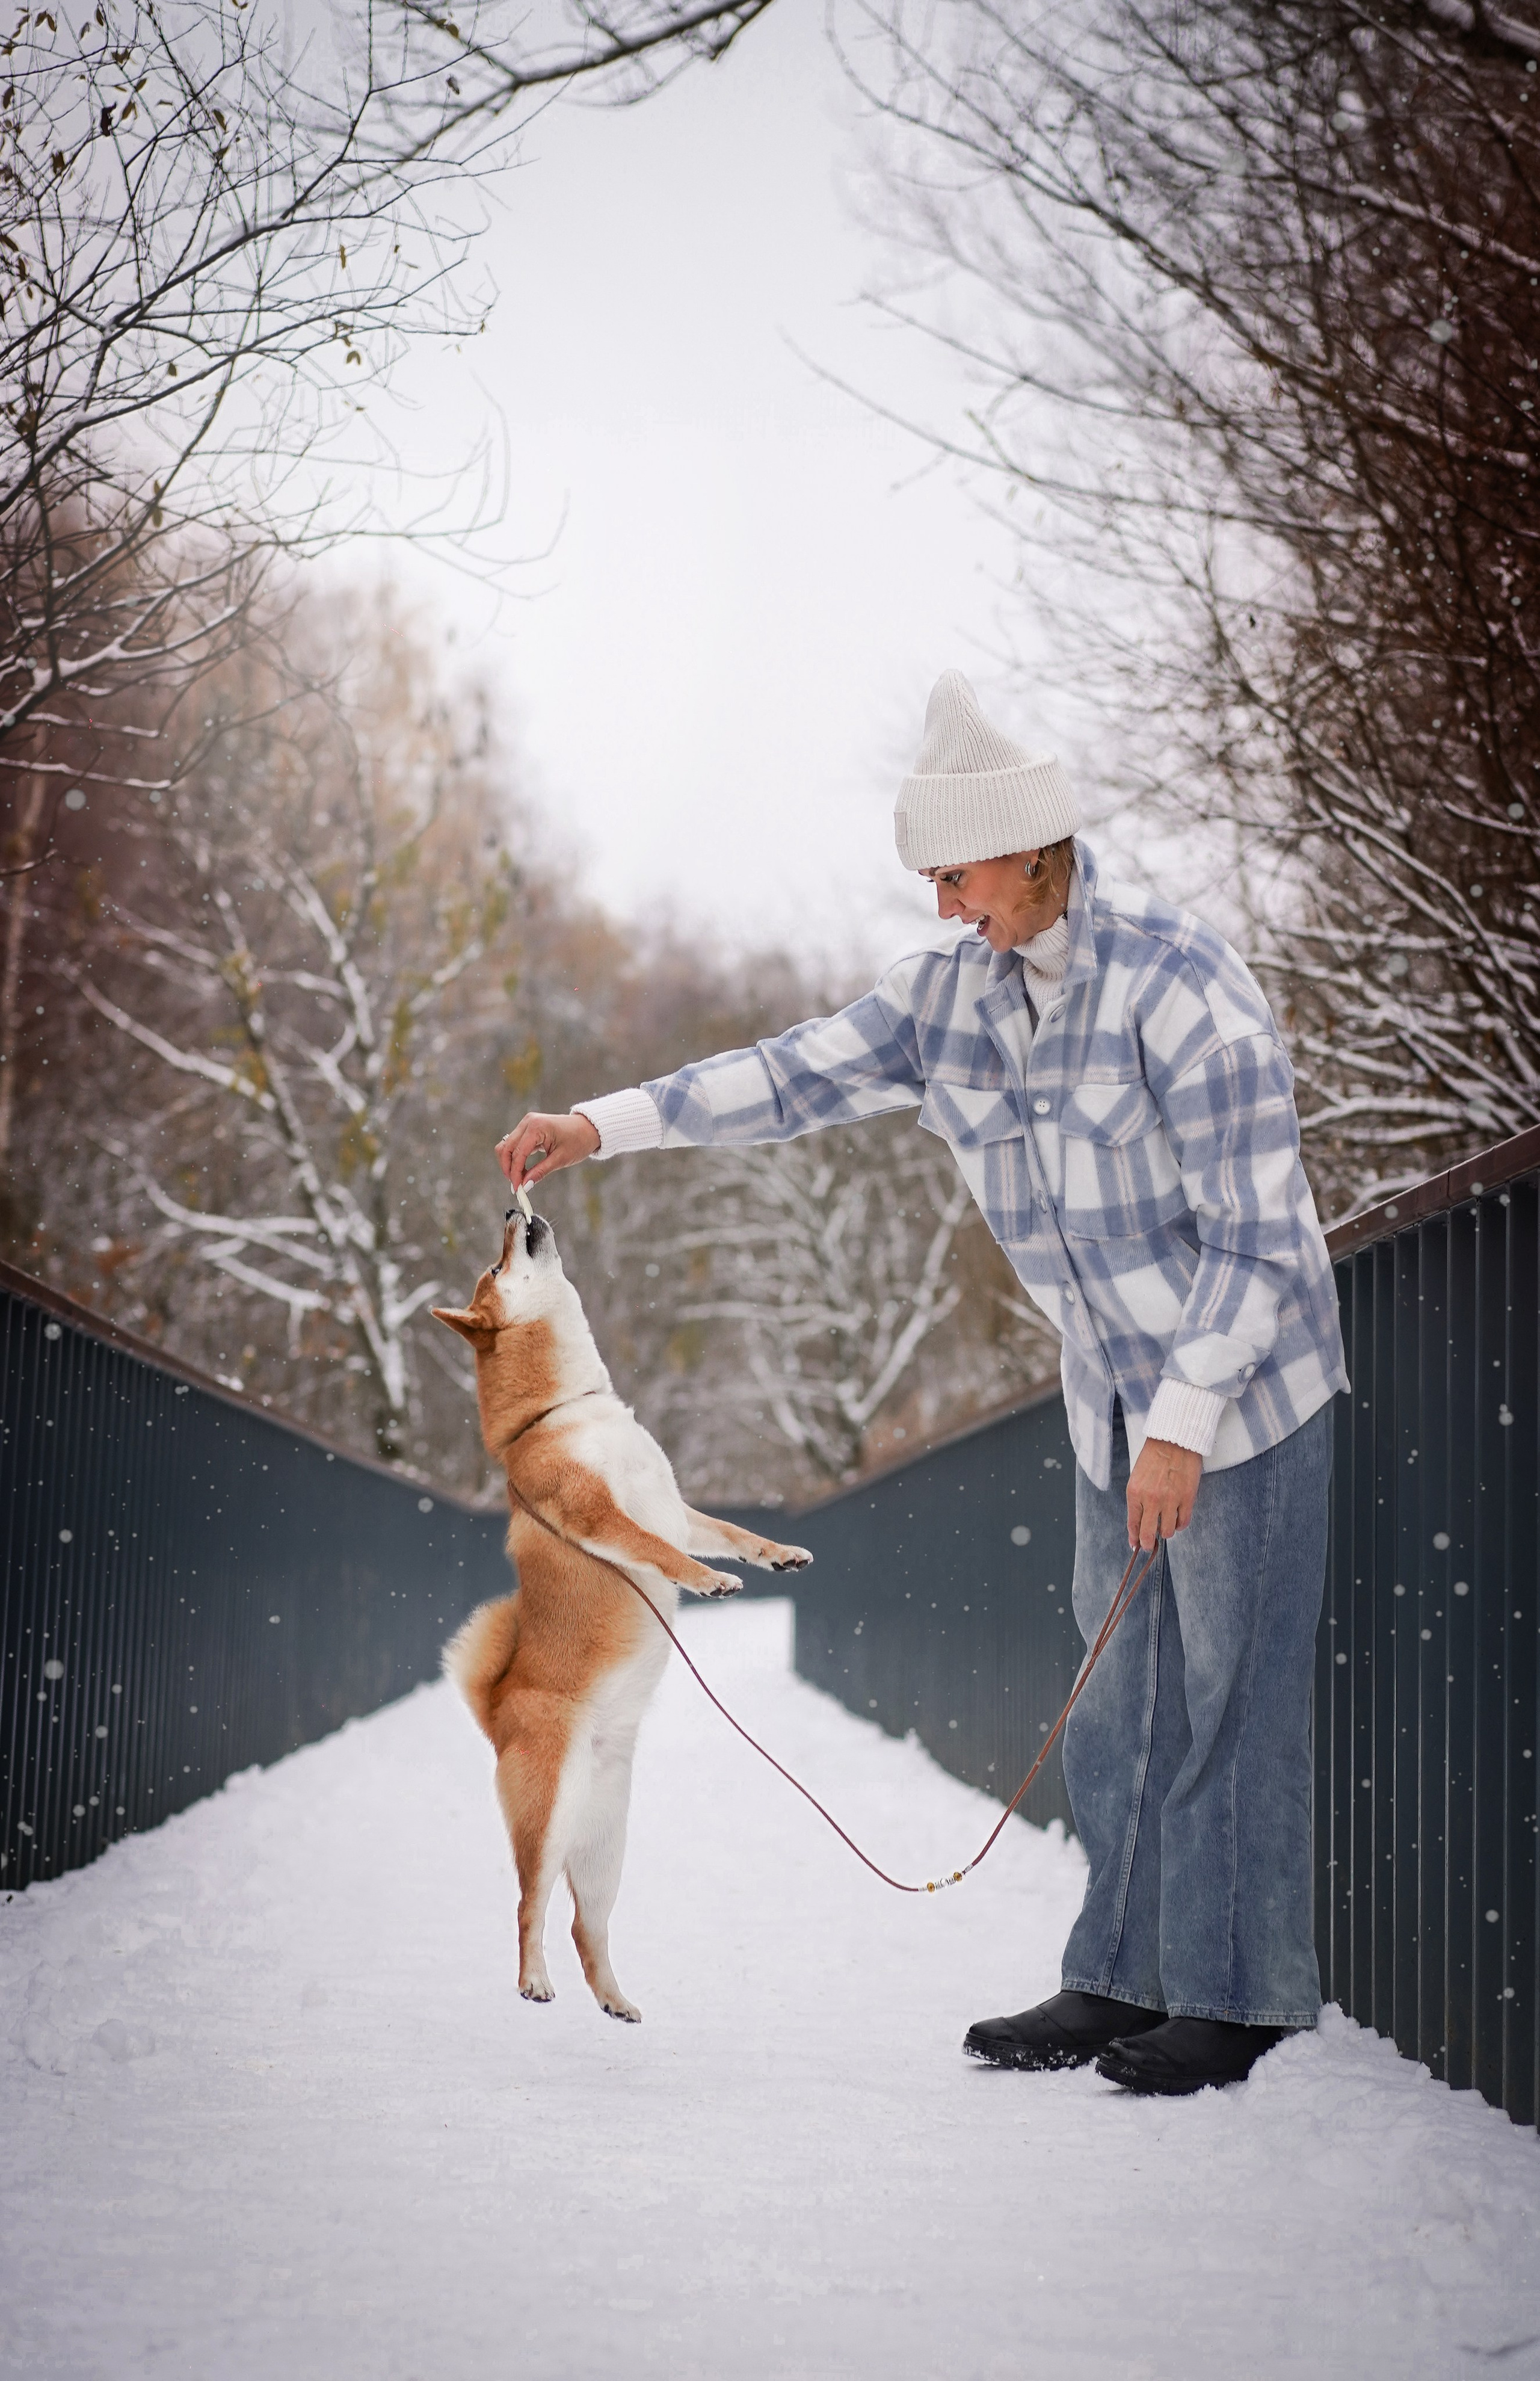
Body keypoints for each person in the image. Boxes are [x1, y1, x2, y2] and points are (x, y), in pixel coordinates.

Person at [496, 670, 1348, 2099]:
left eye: (956, 874)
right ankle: (1115, 1976)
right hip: (1105, 1407)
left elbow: (1260, 1238)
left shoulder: (1179, 983)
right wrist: (600, 1123)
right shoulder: (945, 999)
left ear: (1030, 849)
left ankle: (1231, 1992)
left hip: (1241, 1394)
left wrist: (1184, 1424)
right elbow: (781, 1077)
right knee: (1115, 1693)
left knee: (1229, 1697)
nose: (944, 905)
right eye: (931, 880)